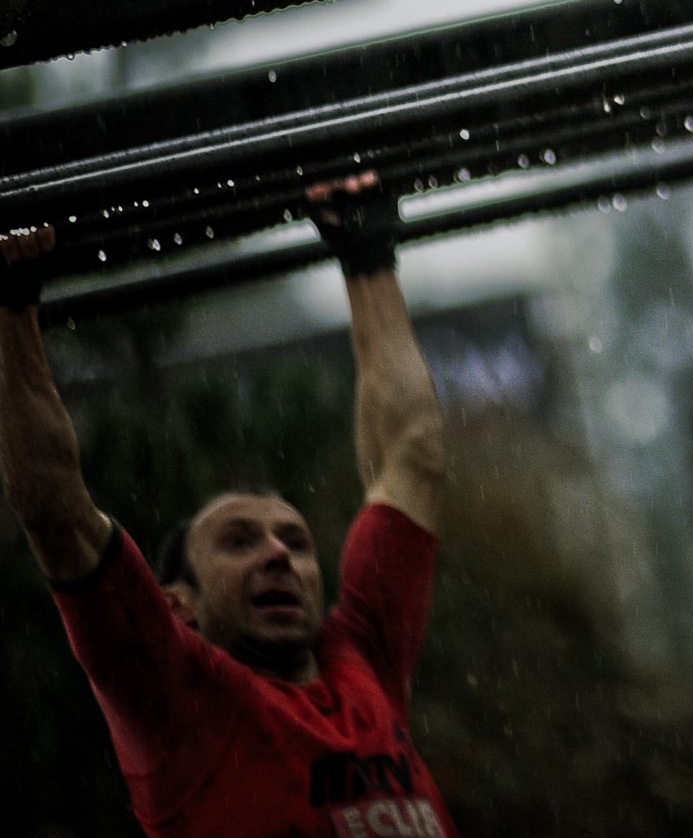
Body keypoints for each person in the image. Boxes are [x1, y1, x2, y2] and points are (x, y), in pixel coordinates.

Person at [0, 177, 458, 838]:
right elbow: (56, 512)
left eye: (295, 543)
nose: (278, 555)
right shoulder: (175, 701)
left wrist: (369, 255)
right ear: (177, 605)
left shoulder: (364, 656)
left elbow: (413, 455)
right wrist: (12, 304)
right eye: (239, 541)